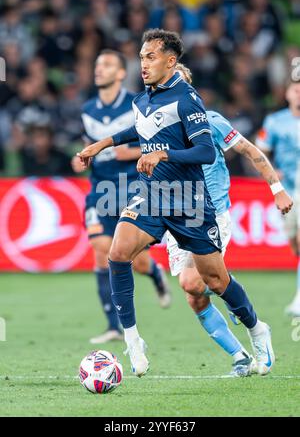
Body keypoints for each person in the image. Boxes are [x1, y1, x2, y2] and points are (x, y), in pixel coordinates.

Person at [77, 29, 276, 378]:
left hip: (190, 203)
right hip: (151, 195)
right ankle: (133, 341)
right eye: (141, 56)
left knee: (215, 282)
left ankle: (257, 329)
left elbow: (203, 151)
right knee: (118, 252)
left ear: (171, 61)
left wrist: (162, 153)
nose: (143, 63)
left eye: (151, 56)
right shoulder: (143, 100)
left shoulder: (188, 99)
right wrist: (102, 144)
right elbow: (138, 131)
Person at [167, 63, 293, 375]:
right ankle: (239, 356)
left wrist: (276, 189)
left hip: (211, 215)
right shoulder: (159, 130)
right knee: (194, 296)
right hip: (176, 216)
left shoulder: (211, 123)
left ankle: (256, 327)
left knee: (192, 281)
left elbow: (253, 153)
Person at [72, 49, 171, 345]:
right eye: (97, 64)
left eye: (106, 65)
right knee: (101, 249)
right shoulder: (87, 108)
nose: (98, 69)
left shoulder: (136, 104)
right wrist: (79, 160)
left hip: (132, 188)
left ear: (119, 73)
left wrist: (134, 152)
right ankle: (114, 326)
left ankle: (154, 274)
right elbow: (87, 145)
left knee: (134, 261)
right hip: (100, 189)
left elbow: (160, 142)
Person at [256, 79, 300, 317]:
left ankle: (298, 299)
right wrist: (273, 172)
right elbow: (259, 152)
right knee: (295, 244)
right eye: (296, 90)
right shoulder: (275, 121)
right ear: (287, 93)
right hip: (286, 191)